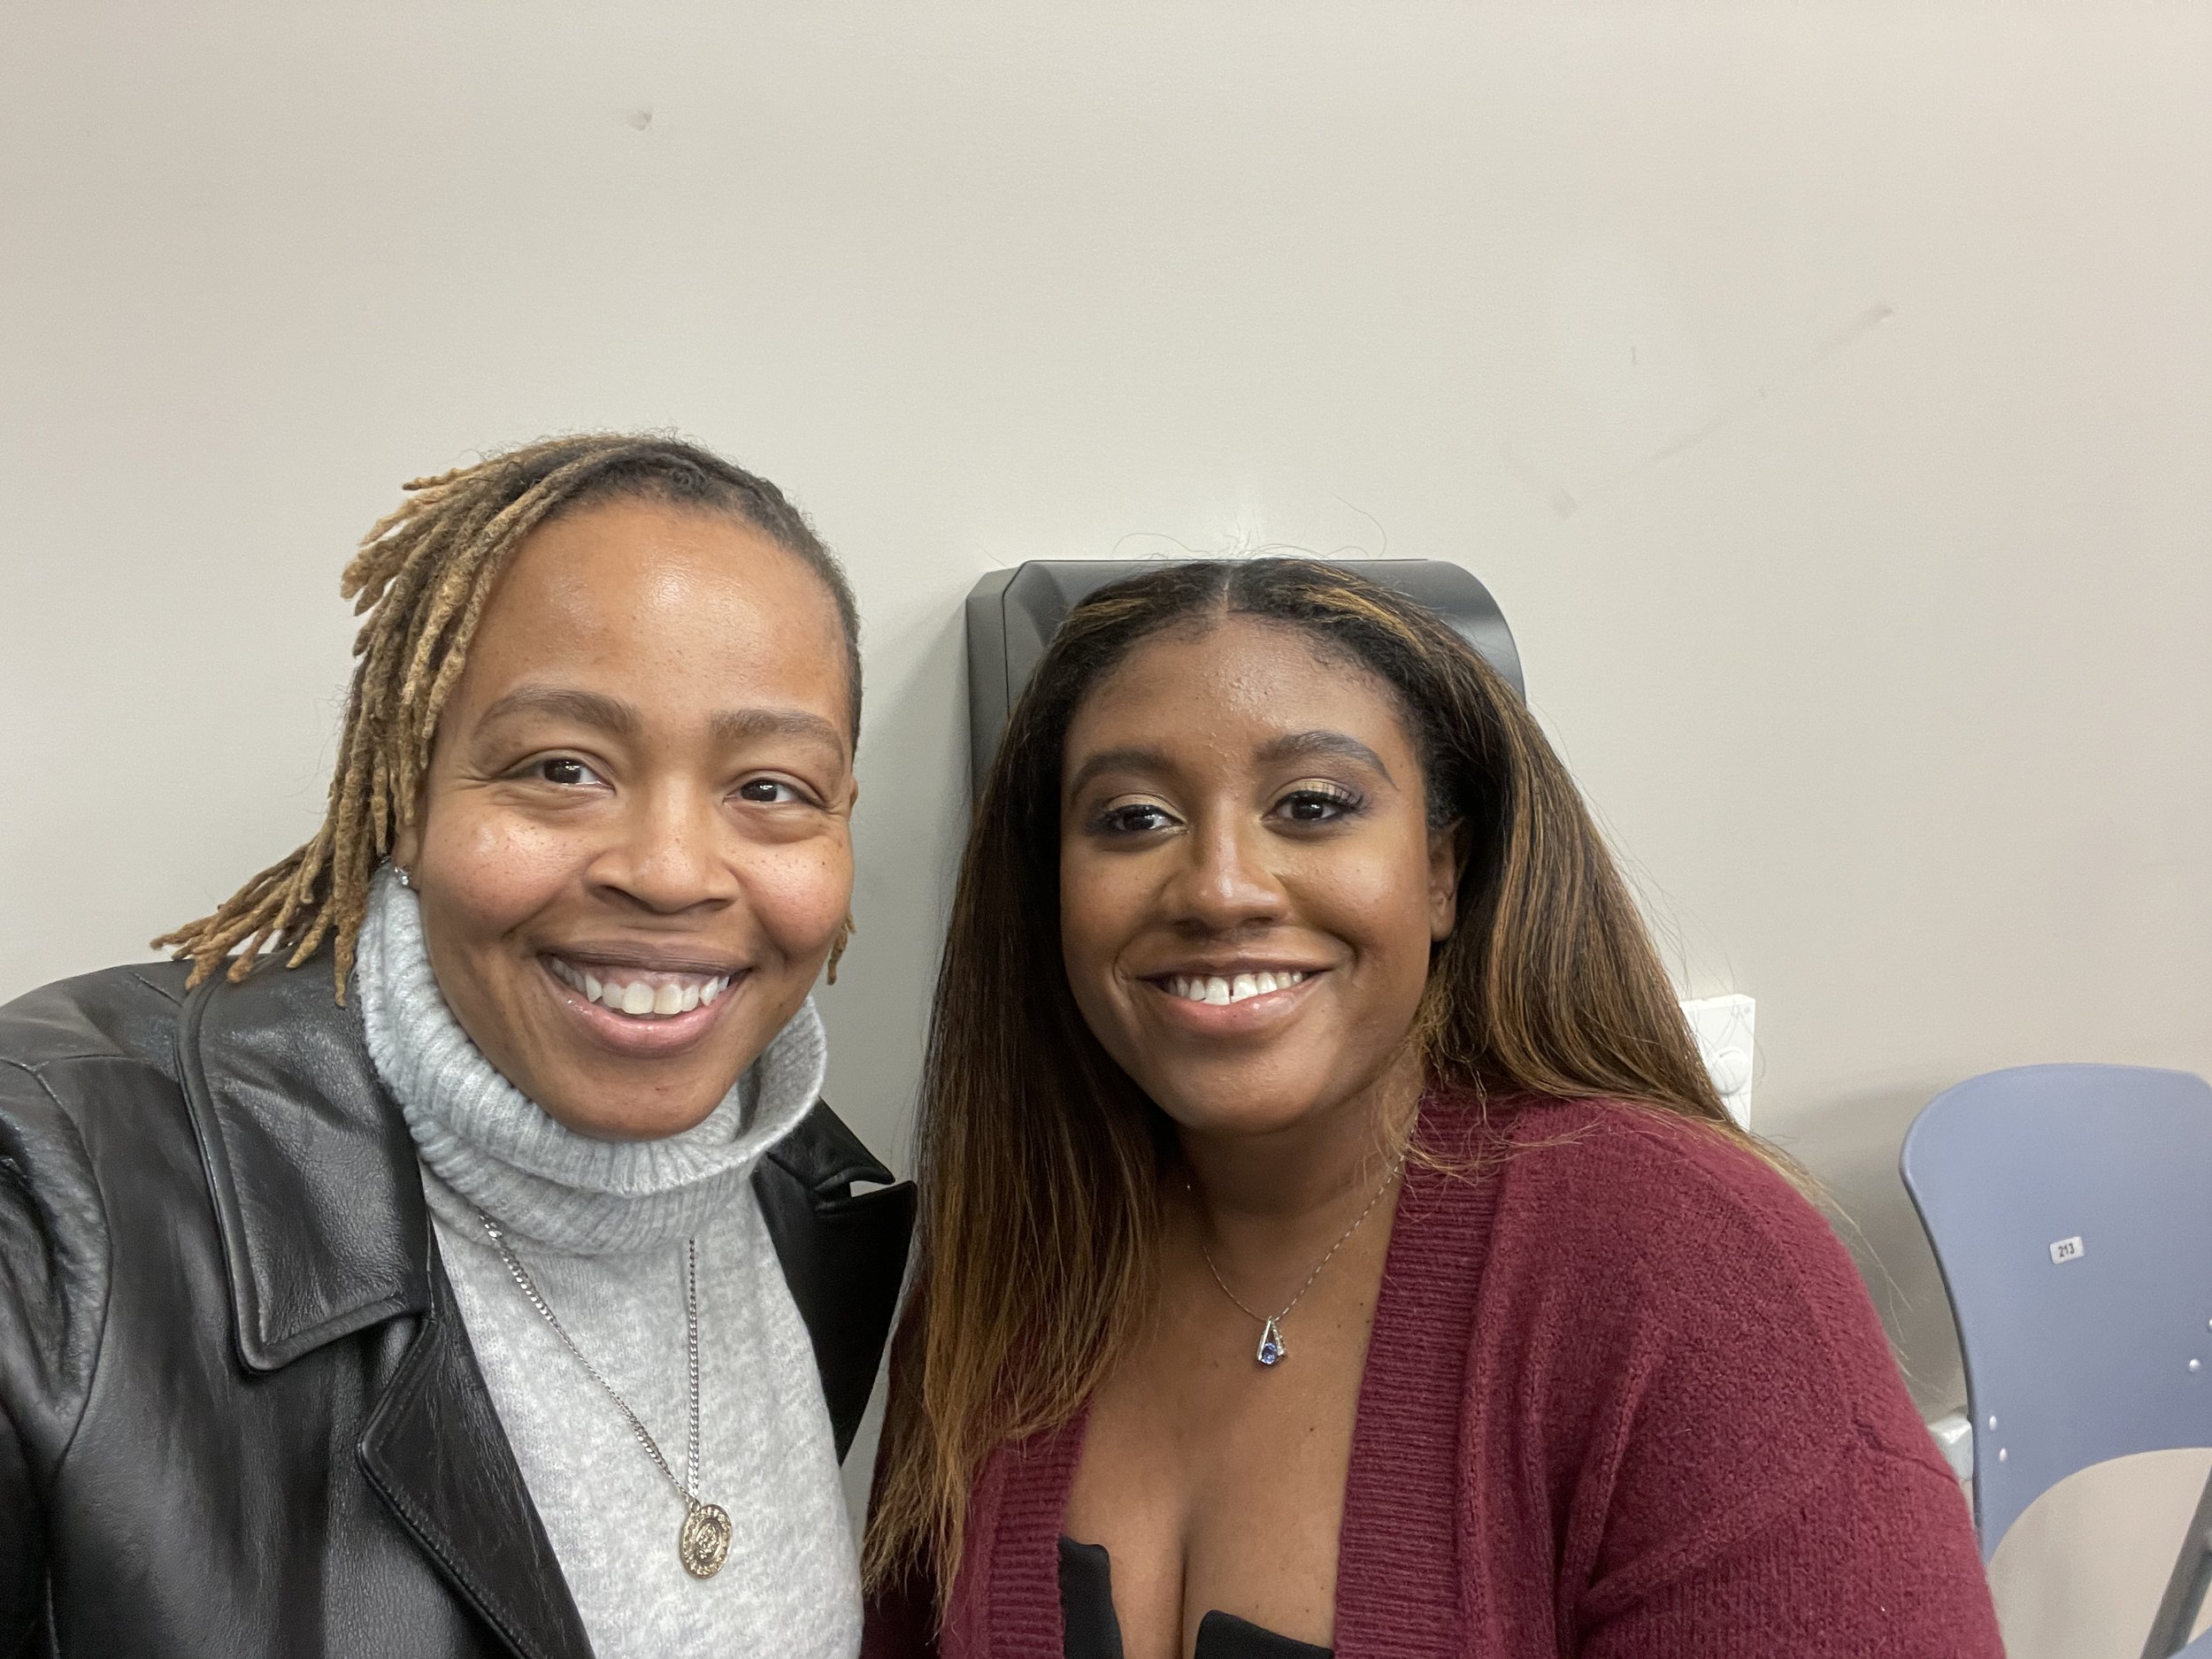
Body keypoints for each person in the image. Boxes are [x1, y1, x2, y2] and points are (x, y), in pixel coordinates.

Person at [861, 558, 2001, 1658]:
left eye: (1311, 805)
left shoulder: (1687, 1272)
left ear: (1442, 871)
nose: (1219, 886)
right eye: (1132, 818)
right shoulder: (1006, 1266)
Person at [0, 434, 912, 1659]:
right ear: (403, 797)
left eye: (770, 789)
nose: (671, 871)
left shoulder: (815, 1203)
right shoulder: (53, 1203)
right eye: (561, 767)